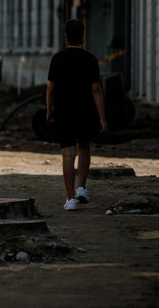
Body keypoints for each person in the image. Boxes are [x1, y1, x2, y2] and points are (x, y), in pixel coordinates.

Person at [46, 19, 108, 211]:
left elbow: (50, 88)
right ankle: (81, 188)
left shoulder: (57, 59)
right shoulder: (90, 59)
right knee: (84, 147)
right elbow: (96, 89)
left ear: (65, 36)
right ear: (82, 35)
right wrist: (102, 117)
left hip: (64, 111)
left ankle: (70, 199)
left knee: (68, 152)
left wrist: (49, 109)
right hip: (85, 110)